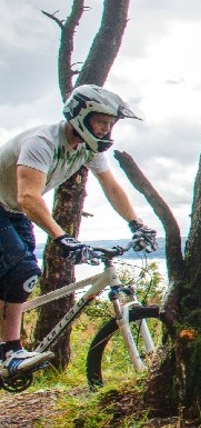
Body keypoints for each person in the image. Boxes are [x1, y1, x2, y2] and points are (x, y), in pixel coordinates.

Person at [0, 85, 158, 378]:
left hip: (13, 211)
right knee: (23, 272)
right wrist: (62, 237)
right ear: (81, 117)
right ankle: (8, 353)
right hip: (11, 205)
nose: (107, 130)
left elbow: (111, 186)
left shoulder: (86, 148)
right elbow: (28, 197)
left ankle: (6, 350)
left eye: (111, 124)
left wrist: (136, 223)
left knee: (16, 281)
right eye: (102, 122)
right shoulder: (42, 142)